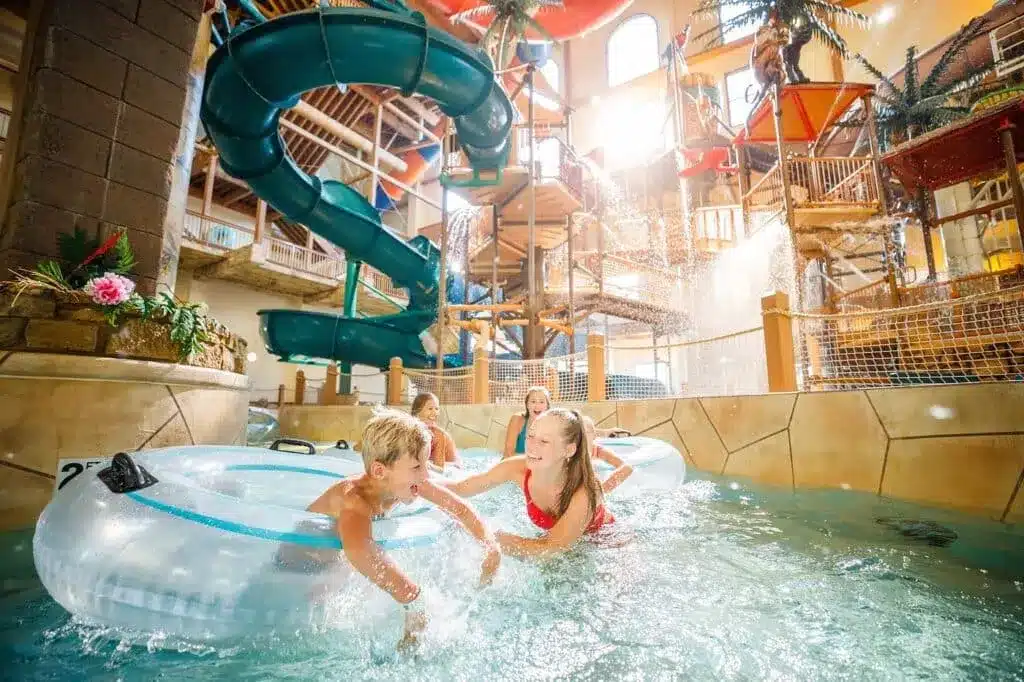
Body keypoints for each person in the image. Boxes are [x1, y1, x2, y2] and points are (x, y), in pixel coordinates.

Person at [305, 408, 500, 649]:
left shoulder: (407, 483)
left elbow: (459, 509)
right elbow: (359, 549)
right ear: (380, 471)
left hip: (337, 553)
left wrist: (490, 546)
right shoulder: (355, 499)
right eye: (417, 466)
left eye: (426, 464)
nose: (426, 474)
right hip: (304, 560)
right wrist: (412, 597)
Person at [443, 408, 615, 558]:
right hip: (559, 543)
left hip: (603, 543)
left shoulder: (586, 490)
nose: (532, 446)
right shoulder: (516, 468)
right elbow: (461, 488)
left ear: (568, 450)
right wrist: (427, 484)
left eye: (544, 441)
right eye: (530, 436)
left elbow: (552, 549)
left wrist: (495, 538)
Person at [581, 416, 634, 494]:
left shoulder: (597, 450)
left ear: (594, 437)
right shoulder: (569, 451)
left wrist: (604, 488)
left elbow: (627, 468)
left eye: (584, 434)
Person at [410, 392, 460, 472]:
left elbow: (440, 469)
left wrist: (425, 464)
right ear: (417, 411)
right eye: (430, 409)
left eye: (437, 409)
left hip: (452, 467)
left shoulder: (439, 435)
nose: (435, 413)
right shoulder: (410, 431)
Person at [502, 386, 551, 459]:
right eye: (533, 401)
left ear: (547, 406)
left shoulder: (552, 425)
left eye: (541, 402)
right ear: (527, 405)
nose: (537, 406)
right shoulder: (517, 419)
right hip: (512, 463)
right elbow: (508, 453)